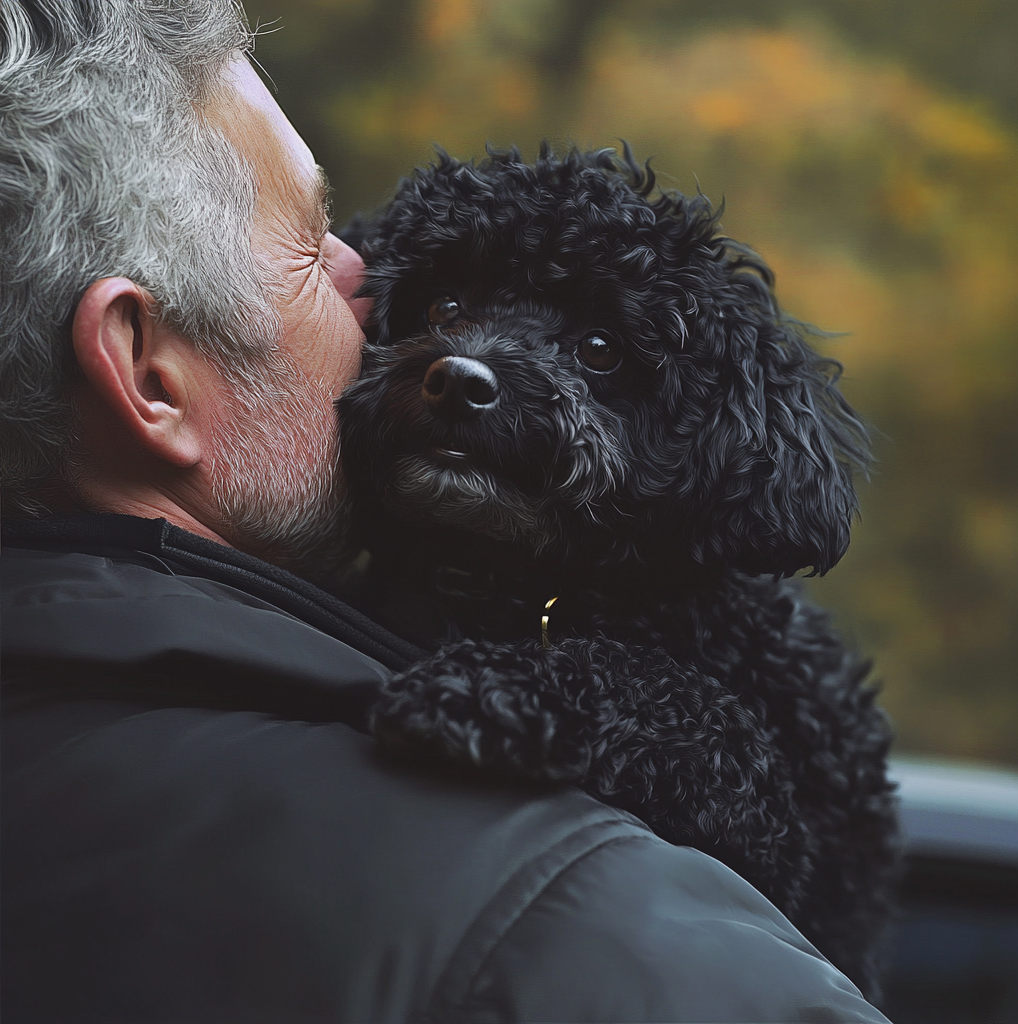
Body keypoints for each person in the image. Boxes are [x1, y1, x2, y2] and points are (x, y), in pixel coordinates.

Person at [0, 2, 892, 1021]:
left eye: (597, 356)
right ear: (148, 371)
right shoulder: (552, 911)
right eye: (444, 310)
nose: (360, 283)